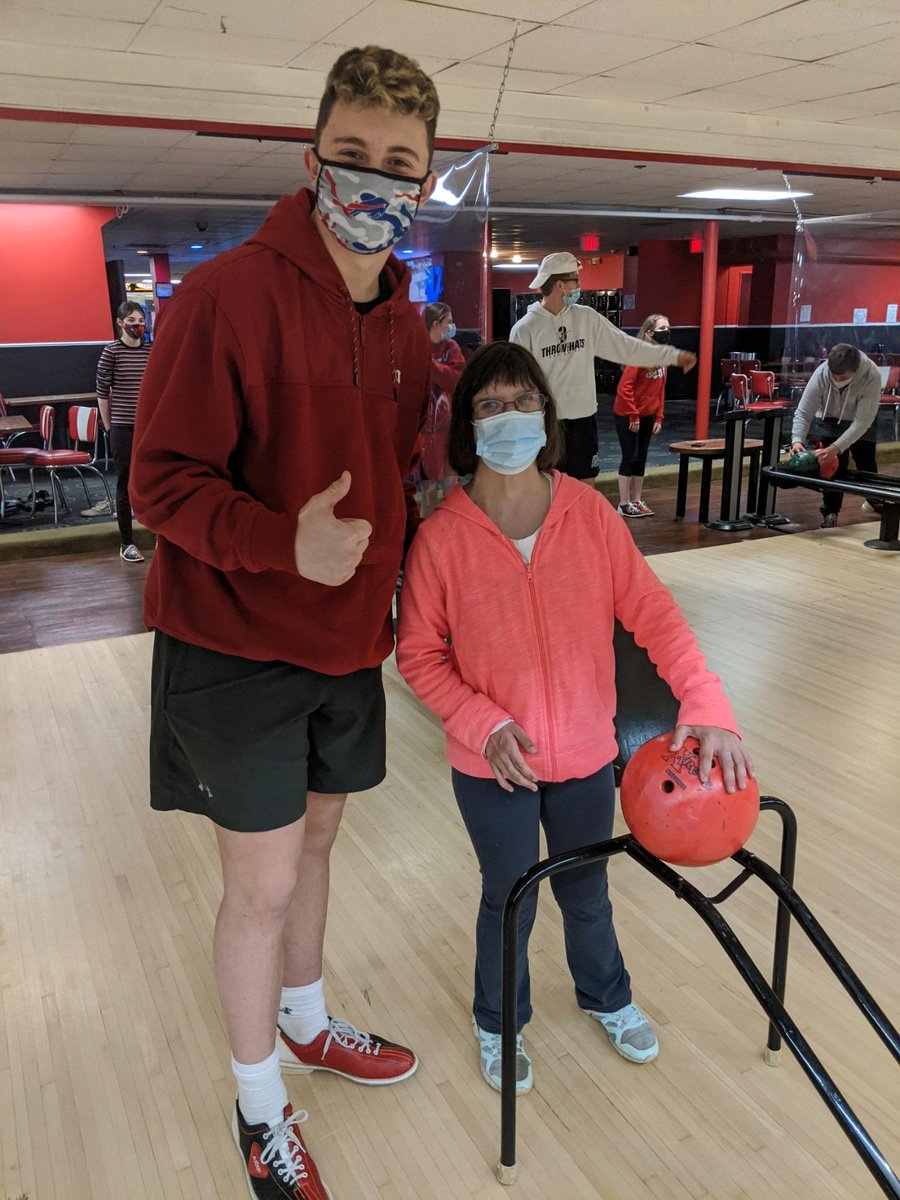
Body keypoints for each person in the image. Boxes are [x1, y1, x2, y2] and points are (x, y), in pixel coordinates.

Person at [130, 45, 440, 1200]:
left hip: (347, 651)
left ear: (426, 177)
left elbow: (387, 484)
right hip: (234, 648)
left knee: (317, 846)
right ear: (312, 158)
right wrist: (279, 543)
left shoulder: (405, 328)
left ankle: (309, 1021)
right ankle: (259, 1108)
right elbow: (157, 484)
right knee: (257, 887)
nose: (373, 179)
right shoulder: (223, 300)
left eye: (398, 164)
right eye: (353, 155)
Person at [395, 341, 753, 1096]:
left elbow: (655, 616)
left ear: (548, 415)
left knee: (587, 890)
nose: (510, 418)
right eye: (491, 405)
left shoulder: (590, 516)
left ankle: (608, 997)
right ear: (468, 424)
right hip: (494, 767)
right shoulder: (441, 540)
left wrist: (707, 702)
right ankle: (497, 1020)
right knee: (511, 896)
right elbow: (418, 655)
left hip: (587, 755)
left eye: (525, 402)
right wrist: (483, 722)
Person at [509, 253, 696, 480]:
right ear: (559, 285)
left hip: (583, 418)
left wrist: (670, 356)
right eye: (575, 280)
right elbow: (519, 382)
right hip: (547, 421)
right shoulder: (526, 328)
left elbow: (624, 346)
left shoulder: (586, 317)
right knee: (546, 484)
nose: (579, 286)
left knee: (586, 481)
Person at [789, 343, 881, 528]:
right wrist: (797, 440)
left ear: (855, 371)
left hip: (860, 420)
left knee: (866, 463)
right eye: (834, 376)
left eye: (843, 377)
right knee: (831, 467)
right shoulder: (822, 374)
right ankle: (830, 512)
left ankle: (874, 500)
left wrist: (836, 447)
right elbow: (804, 412)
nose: (838, 379)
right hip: (828, 418)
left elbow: (862, 422)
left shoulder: (871, 375)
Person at [88, 300, 151, 560]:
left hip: (149, 426)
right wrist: (109, 424)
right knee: (125, 483)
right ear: (120, 323)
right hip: (122, 426)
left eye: (141, 322)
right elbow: (102, 391)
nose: (137, 326)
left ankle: (160, 535)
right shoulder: (111, 352)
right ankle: (127, 542)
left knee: (153, 482)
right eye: (132, 321)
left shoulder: (151, 350)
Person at [613, 312, 671, 517]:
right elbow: (624, 388)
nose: (666, 332)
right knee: (630, 456)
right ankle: (624, 502)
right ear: (649, 332)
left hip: (648, 414)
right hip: (628, 415)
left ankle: (636, 499)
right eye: (662, 329)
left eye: (668, 329)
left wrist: (659, 416)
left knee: (641, 457)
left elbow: (661, 389)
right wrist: (633, 415)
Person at [420, 301, 465, 515]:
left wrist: (431, 366)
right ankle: (428, 522)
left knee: (449, 480)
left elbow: (455, 380)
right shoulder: (416, 346)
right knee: (426, 484)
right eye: (449, 321)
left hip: (446, 427)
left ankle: (450, 518)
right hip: (421, 429)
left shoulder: (451, 349)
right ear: (437, 323)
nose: (452, 326)